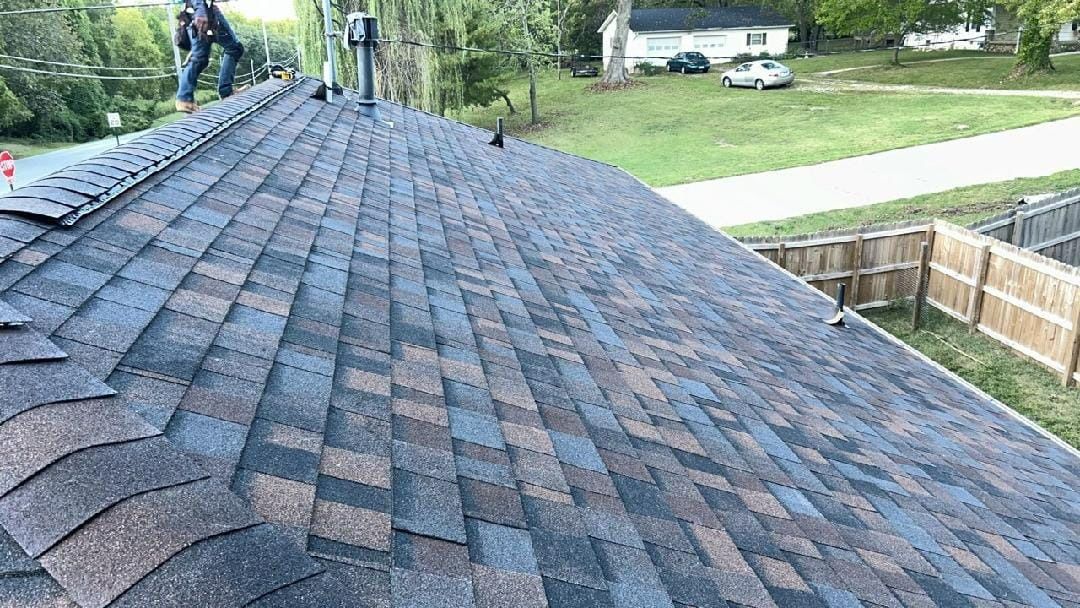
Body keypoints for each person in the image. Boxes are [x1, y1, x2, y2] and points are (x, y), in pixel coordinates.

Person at [175, 0, 247, 113]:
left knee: (203, 57)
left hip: (198, 12)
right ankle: (184, 99)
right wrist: (200, 10)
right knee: (230, 49)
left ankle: (185, 98)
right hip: (203, 14)